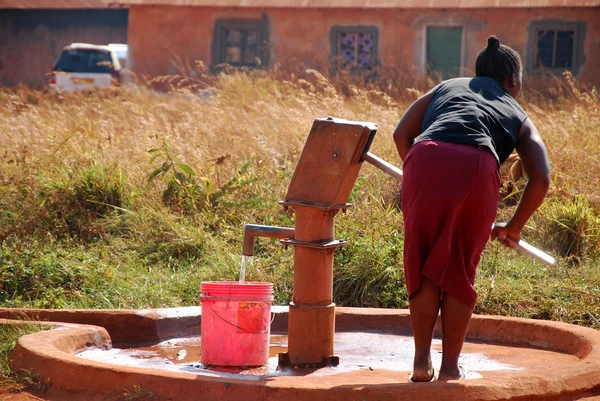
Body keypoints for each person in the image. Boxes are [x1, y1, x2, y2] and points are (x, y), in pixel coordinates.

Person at [393, 35, 550, 382]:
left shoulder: (445, 87)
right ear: (512, 81)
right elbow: (541, 177)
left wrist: (423, 175)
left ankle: (421, 361)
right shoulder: (516, 111)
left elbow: (401, 133)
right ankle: (449, 367)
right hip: (478, 166)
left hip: (424, 158)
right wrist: (513, 226)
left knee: (422, 262)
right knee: (459, 268)